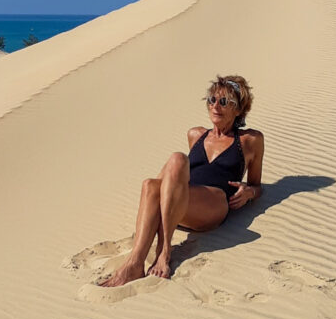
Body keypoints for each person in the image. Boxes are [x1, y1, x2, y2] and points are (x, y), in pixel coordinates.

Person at [100, 75, 264, 287]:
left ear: (239, 109)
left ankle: (164, 251)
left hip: (215, 203)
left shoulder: (250, 140)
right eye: (211, 99)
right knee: (152, 183)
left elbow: (258, 186)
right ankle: (134, 262)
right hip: (182, 204)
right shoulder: (196, 134)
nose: (215, 106)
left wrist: (250, 192)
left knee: (176, 160)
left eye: (224, 102)